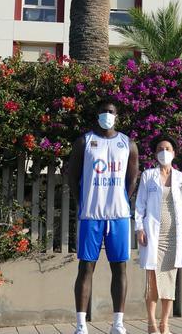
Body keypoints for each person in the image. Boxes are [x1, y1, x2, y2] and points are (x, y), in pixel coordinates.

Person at [64, 99, 140, 334]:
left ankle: (118, 323)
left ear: (117, 116)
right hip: (91, 214)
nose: (107, 114)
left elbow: (132, 178)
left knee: (120, 269)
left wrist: (123, 201)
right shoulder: (84, 142)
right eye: (103, 111)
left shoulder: (128, 143)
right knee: (86, 267)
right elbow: (72, 176)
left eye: (111, 112)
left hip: (118, 215)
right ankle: (81, 324)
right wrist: (82, 202)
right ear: (96, 115)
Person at [134, 135, 182, 334]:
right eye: (160, 148)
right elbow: (140, 204)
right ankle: (151, 323)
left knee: (169, 279)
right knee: (152, 281)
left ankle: (165, 323)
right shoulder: (148, 176)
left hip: (173, 235)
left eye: (167, 148)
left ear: (174, 153)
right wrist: (139, 228)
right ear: (155, 153)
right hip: (153, 235)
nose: (164, 152)